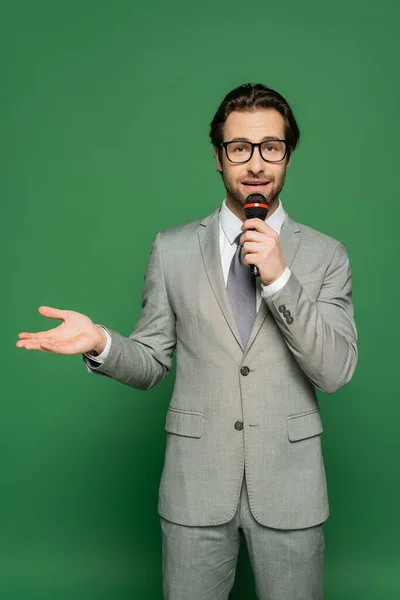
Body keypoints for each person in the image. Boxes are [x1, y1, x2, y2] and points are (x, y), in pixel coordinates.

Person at [16, 83, 358, 600]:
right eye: (239, 148)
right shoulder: (172, 250)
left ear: (289, 154)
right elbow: (152, 361)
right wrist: (100, 342)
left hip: (291, 488)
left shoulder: (327, 256)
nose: (256, 164)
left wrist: (280, 278)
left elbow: (335, 371)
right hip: (195, 486)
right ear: (219, 158)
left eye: (272, 147)